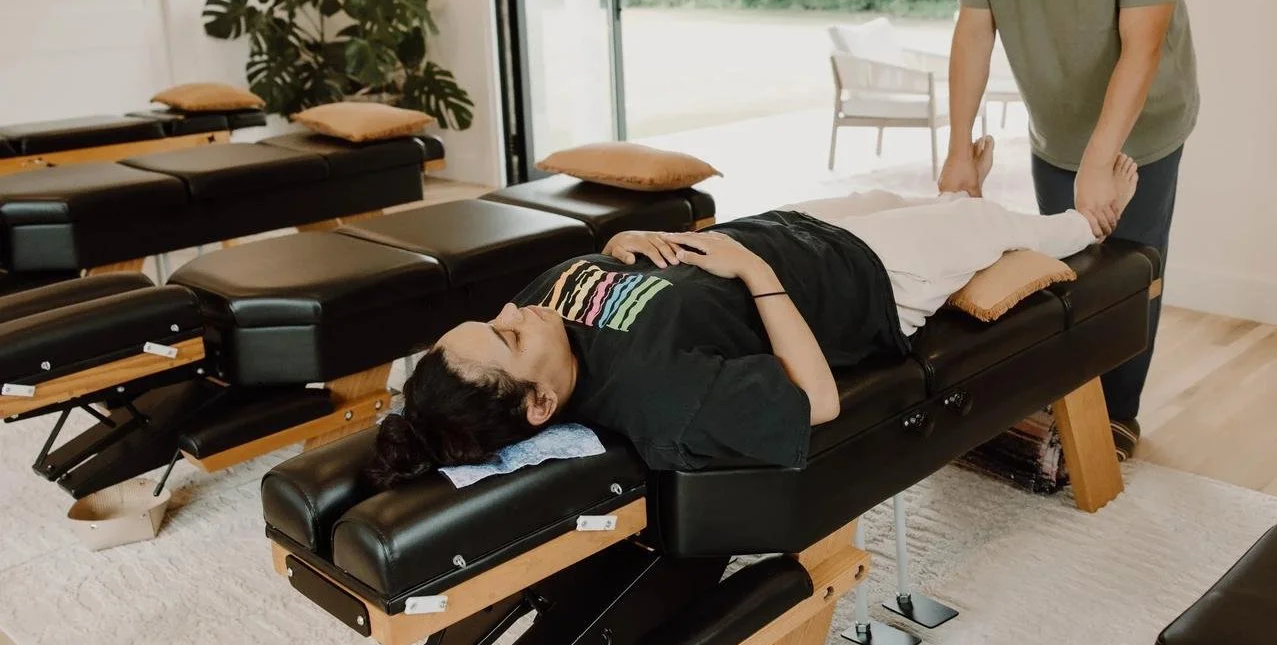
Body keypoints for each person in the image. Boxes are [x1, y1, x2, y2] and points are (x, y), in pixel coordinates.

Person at [365, 141, 1139, 488]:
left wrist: (622, 240)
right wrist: (758, 276)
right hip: (866, 281)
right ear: (539, 405)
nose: (516, 310)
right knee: (993, 230)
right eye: (506, 333)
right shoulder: (662, 400)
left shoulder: (540, 326)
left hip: (789, 226)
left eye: (496, 313)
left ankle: (951, 201)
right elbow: (820, 402)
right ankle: (1089, 223)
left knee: (905, 199)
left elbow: (605, 278)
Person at [937, 0, 1199, 461]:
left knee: (1124, 274)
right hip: (1054, 127)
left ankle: (1116, 420)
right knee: (1062, 272)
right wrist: (959, 146)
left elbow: (1142, 47)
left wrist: (1100, 159)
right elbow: (973, 31)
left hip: (1139, 132)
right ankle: (1062, 410)